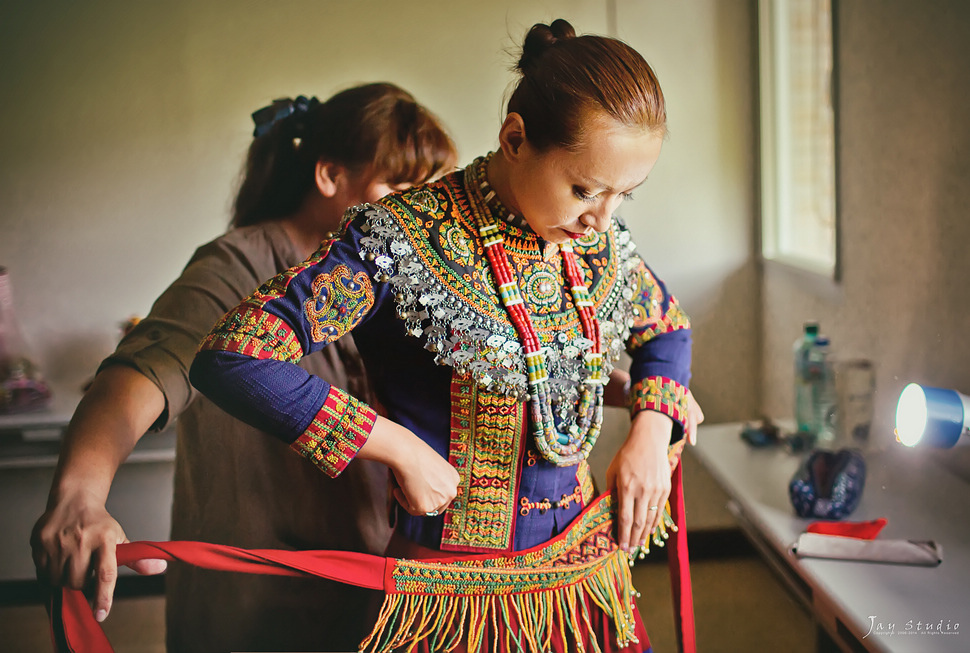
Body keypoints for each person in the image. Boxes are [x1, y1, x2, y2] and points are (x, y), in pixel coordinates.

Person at [191, 20, 696, 653]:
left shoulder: (596, 244)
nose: (603, 219)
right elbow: (234, 356)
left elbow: (668, 330)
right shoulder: (398, 241)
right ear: (515, 139)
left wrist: (651, 430)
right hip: (452, 600)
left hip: (586, 581)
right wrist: (395, 446)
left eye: (625, 195)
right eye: (584, 189)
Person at [31, 82, 458, 653]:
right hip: (259, 605)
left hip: (378, 590)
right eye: (402, 188)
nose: (421, 211)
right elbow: (142, 373)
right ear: (330, 176)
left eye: (431, 192)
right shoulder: (236, 266)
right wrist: (79, 494)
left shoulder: (408, 280)